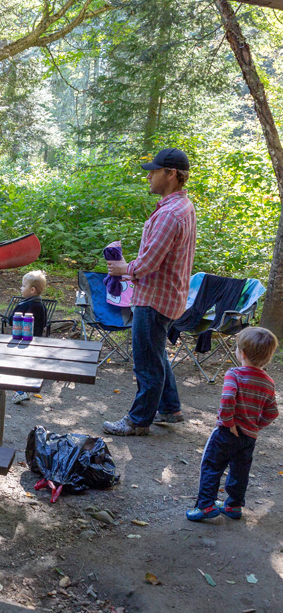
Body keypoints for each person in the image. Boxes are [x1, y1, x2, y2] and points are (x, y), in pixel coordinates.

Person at [103, 148, 197, 436]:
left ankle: (137, 421)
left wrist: (121, 268)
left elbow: (147, 264)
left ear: (171, 174)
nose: (148, 176)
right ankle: (170, 408)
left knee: (147, 363)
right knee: (155, 354)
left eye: (154, 171)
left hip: (154, 298)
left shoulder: (170, 214)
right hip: (170, 295)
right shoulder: (183, 206)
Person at [186, 327, 278, 521]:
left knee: (212, 466)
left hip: (227, 432)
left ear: (241, 353)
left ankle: (206, 506)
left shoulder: (234, 374)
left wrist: (229, 423)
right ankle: (234, 505)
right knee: (240, 470)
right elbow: (272, 412)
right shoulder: (268, 382)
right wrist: (256, 426)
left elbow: (228, 398)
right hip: (249, 437)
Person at [12, 270, 48, 404]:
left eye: (23, 285)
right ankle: (23, 389)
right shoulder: (42, 305)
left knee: (19, 366)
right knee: (28, 365)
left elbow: (11, 320)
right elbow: (44, 323)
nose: (21, 288)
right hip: (37, 340)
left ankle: (20, 391)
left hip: (22, 340)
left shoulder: (24, 305)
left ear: (32, 290)